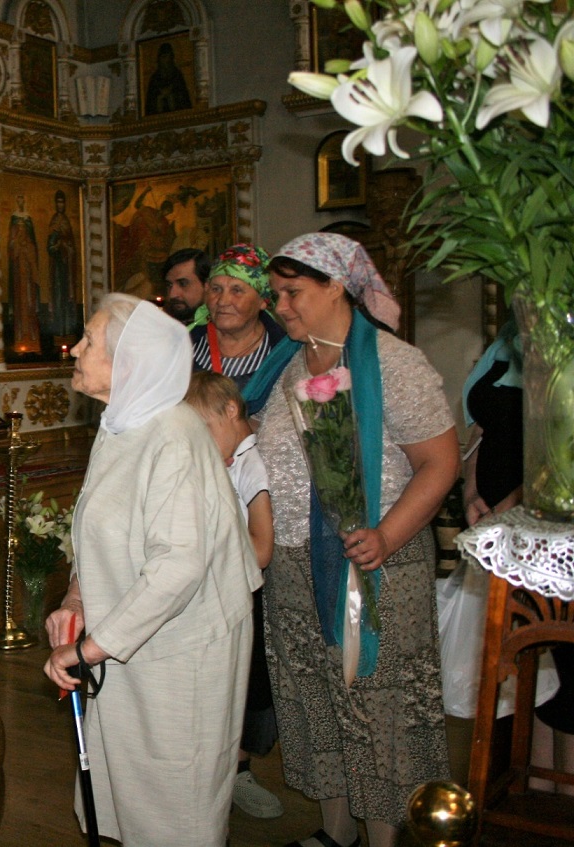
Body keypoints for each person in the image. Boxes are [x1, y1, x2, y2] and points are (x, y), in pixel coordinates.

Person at [243, 232, 460, 847]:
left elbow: (440, 464)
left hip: (376, 565)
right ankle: (337, 833)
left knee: (376, 704)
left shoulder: (392, 363)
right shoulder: (282, 366)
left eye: (293, 292)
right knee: (315, 698)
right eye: (276, 294)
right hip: (291, 566)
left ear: (337, 285)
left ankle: (384, 838)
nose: (281, 306)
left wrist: (386, 535)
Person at [43, 292, 261, 847]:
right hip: (135, 634)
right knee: (133, 789)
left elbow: (178, 566)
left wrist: (92, 649)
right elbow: (102, 527)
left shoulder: (174, 437)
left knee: (175, 799)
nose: (75, 349)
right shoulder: (124, 421)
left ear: (129, 361)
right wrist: (76, 599)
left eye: (89, 340)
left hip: (183, 648)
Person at [460, 321, 574, 797]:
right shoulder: (506, 340)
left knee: (562, 664)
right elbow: (480, 428)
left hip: (550, 532)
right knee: (530, 665)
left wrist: (514, 506)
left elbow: (562, 449)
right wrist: (471, 489)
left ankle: (562, 800)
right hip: (501, 533)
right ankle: (533, 790)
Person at [185, 370, 283, 819]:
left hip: (242, 596)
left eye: (203, 429)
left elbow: (261, 549)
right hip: (222, 592)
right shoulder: (227, 458)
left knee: (237, 698)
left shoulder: (251, 463)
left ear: (230, 410)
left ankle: (231, 779)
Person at [171, 243, 286, 387]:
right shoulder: (183, 346)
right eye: (216, 289)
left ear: (263, 300)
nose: (222, 301)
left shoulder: (284, 356)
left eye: (236, 290)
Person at [7, 194, 42, 353]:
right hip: (18, 276)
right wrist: (17, 244)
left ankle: (33, 341)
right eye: (18, 199)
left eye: (23, 199)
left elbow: (34, 248)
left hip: (28, 276)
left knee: (30, 305)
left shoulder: (28, 220)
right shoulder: (14, 219)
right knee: (21, 307)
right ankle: (20, 340)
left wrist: (27, 247)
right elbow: (11, 247)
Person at [47, 189, 79, 338]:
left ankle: (68, 330)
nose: (60, 205)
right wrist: (57, 245)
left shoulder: (66, 221)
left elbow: (72, 245)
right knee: (58, 298)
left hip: (67, 267)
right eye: (58, 202)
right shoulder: (54, 221)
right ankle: (59, 331)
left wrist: (67, 246)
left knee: (68, 299)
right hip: (57, 267)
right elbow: (50, 247)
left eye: (62, 202)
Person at [144, 41, 192, 115]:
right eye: (163, 57)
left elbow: (184, 99)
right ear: (159, 59)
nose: (166, 61)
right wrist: (159, 99)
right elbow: (150, 104)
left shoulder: (177, 75)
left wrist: (172, 97)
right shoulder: (155, 78)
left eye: (168, 57)